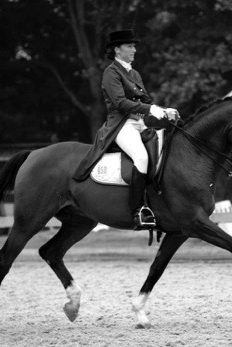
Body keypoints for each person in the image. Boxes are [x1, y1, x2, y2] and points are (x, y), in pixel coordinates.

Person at [73, 29, 178, 230]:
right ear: (117, 50)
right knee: (141, 158)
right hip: (121, 126)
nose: (134, 50)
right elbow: (120, 103)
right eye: (130, 46)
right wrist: (152, 109)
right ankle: (137, 211)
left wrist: (164, 111)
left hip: (140, 124)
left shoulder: (134, 73)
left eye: (134, 46)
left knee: (164, 154)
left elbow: (146, 101)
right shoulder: (110, 73)